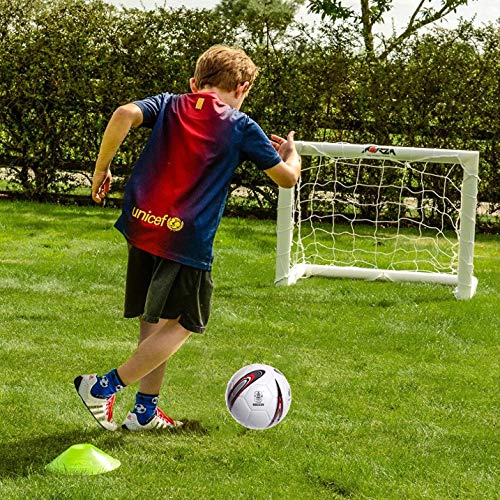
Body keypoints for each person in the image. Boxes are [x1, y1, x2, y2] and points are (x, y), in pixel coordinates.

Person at [74, 44, 301, 431]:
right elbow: (286, 178)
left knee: (155, 316)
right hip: (186, 238)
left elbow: (124, 113)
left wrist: (102, 169)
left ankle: (144, 412)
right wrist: (293, 154)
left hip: (142, 223)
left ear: (195, 83)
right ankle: (103, 387)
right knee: (184, 322)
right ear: (243, 88)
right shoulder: (241, 125)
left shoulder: (169, 103)